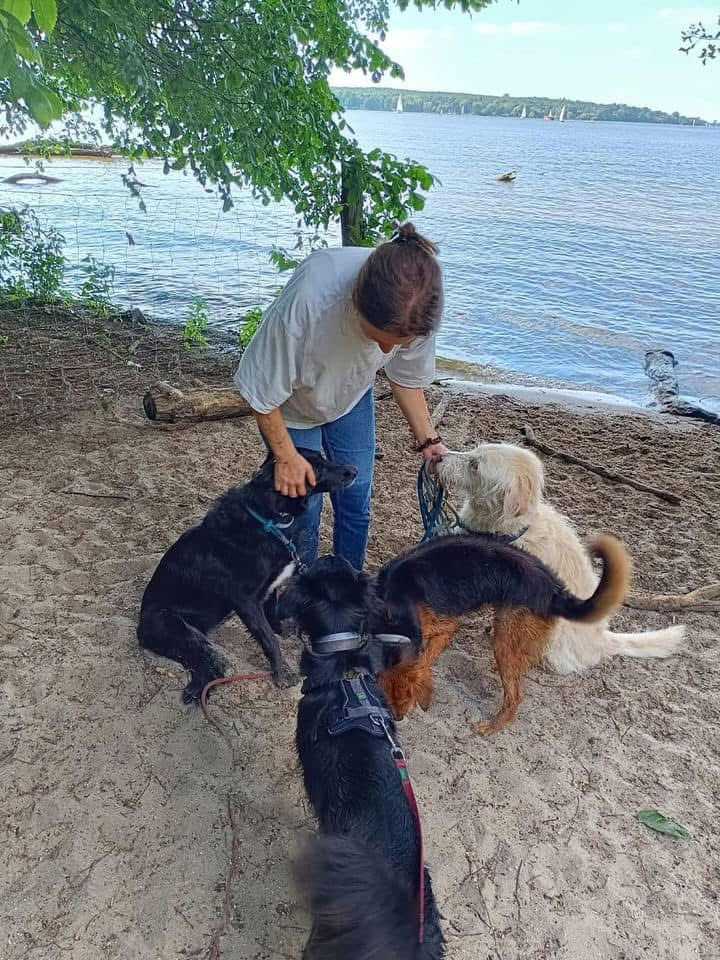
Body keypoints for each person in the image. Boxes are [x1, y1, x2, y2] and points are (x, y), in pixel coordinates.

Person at [234, 222, 447, 570]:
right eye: (378, 337)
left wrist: (429, 441)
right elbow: (261, 391)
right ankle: (301, 591)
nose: (384, 350)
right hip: (289, 407)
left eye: (397, 344)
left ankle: (349, 585)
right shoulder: (311, 298)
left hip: (350, 397)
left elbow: (406, 379)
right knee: (306, 509)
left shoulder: (419, 305)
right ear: (356, 301)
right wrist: (286, 457)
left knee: (356, 495)